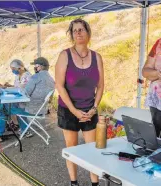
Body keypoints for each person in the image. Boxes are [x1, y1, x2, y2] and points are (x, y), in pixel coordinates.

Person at [55, 18, 104, 186]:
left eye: (81, 29)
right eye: (74, 30)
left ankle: (95, 183)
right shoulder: (64, 55)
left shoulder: (97, 57)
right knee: (72, 149)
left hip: (90, 109)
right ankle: (74, 182)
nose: (78, 33)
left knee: (93, 149)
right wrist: (74, 111)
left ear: (88, 33)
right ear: (71, 35)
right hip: (68, 109)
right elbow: (59, 86)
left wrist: (94, 108)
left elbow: (101, 86)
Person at [0, 57, 55, 142]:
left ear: (41, 66)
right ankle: (24, 130)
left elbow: (25, 93)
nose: (34, 67)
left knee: (3, 107)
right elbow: (49, 99)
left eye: (35, 66)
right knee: (10, 106)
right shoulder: (51, 79)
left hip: (30, 110)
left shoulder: (35, 77)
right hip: (41, 110)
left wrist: (10, 90)